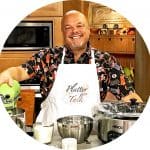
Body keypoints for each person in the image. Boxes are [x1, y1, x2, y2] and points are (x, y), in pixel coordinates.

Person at [0, 10, 142, 119]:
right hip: (51, 135)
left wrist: (138, 110)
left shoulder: (106, 61)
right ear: (63, 32)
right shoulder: (47, 57)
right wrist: (7, 74)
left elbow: (129, 96)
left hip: (91, 137)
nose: (74, 31)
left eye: (79, 25)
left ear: (88, 30)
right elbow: (21, 71)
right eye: (68, 27)